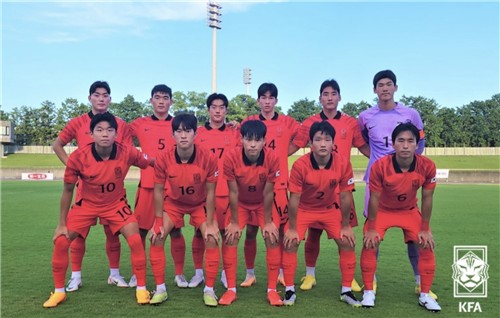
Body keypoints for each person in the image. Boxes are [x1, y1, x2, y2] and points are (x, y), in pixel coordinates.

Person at [43, 113, 152, 308]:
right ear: (91, 134)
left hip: (115, 204)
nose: (105, 134)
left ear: (116, 134)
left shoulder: (127, 151)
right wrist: (61, 224)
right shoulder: (78, 156)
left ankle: (141, 288)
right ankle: (59, 292)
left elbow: (152, 162)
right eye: (99, 130)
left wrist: (175, 163)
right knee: (61, 241)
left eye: (110, 130)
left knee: (135, 239)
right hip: (87, 204)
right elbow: (68, 190)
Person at [358, 70, 436, 299]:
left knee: (415, 235)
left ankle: (419, 280)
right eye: (380, 85)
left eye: (388, 84)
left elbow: (419, 142)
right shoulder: (365, 116)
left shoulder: (411, 114)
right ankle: (370, 280)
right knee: (372, 230)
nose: (384, 88)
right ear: (374, 90)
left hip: (405, 178)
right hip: (378, 179)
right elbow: (362, 142)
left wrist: (408, 162)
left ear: (395, 88)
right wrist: (377, 161)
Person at [289, 79, 369, 291]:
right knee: (312, 235)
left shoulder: (351, 123)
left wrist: (390, 159)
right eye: (326, 94)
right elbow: (292, 146)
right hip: (314, 189)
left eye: (334, 93)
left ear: (340, 97)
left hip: (341, 189)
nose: (330, 97)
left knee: (345, 235)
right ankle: (309, 275)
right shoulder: (309, 123)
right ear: (320, 98)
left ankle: (348, 277)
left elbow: (364, 147)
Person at [52, 81, 132, 292]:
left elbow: (128, 152)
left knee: (112, 232)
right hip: (86, 189)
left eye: (105, 95)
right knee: (78, 233)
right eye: (97, 95)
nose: (101, 99)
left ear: (110, 99)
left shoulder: (120, 124)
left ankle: (114, 274)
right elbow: (56, 144)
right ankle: (76, 276)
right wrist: (72, 167)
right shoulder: (78, 122)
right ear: (90, 98)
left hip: (112, 191)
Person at [360, 123, 441, 312]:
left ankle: (425, 294)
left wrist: (425, 228)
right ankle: (369, 291)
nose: (405, 146)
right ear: (393, 144)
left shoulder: (427, 166)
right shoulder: (380, 166)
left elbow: (427, 198)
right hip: (383, 211)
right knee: (370, 242)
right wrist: (371, 228)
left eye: (410, 141)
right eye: (401, 141)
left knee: (426, 244)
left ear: (417, 144)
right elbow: (374, 198)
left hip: (409, 210)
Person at [283, 121, 360, 307]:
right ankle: (289, 290)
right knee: (290, 242)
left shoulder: (342, 163)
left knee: (347, 242)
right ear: (311, 143)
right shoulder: (300, 165)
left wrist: (346, 225)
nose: (323, 143)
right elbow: (293, 199)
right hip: (304, 209)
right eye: (318, 139)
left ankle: (346, 291)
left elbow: (345, 196)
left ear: (334, 143)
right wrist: (292, 228)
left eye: (327, 139)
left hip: (328, 209)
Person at [148, 113, 221, 306]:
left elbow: (211, 192)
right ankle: (160, 289)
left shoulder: (208, 158)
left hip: (199, 204)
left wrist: (212, 223)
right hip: (174, 204)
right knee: (156, 236)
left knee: (212, 238)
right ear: (172, 135)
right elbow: (157, 190)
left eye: (187, 131)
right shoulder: (164, 158)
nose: (183, 135)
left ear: (195, 134)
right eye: (179, 131)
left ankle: (209, 290)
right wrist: (157, 222)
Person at [241, 83, 300, 287]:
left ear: (276, 100)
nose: (267, 102)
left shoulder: (287, 122)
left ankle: (281, 271)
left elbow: (302, 137)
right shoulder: (248, 122)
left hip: (279, 185)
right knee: (250, 231)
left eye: (271, 98)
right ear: (258, 101)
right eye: (263, 98)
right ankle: (250, 273)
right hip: (253, 186)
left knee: (280, 231)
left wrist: (284, 153)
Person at [222, 120, 282, 306]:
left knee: (272, 237)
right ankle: (231, 290)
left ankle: (272, 290)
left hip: (262, 204)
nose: (253, 144)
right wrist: (233, 221)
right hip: (240, 203)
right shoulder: (231, 157)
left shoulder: (272, 158)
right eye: (249, 139)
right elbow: (233, 191)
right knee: (230, 237)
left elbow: (268, 191)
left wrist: (268, 221)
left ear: (265, 141)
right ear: (241, 140)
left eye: (257, 140)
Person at [128, 84, 175, 287]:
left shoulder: (178, 124)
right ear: (151, 101)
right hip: (148, 185)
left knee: (176, 232)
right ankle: (136, 273)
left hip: (173, 187)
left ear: (171, 101)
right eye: (157, 97)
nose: (162, 101)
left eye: (165, 97)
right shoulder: (139, 124)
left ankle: (179, 274)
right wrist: (139, 157)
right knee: (141, 231)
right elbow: (121, 137)